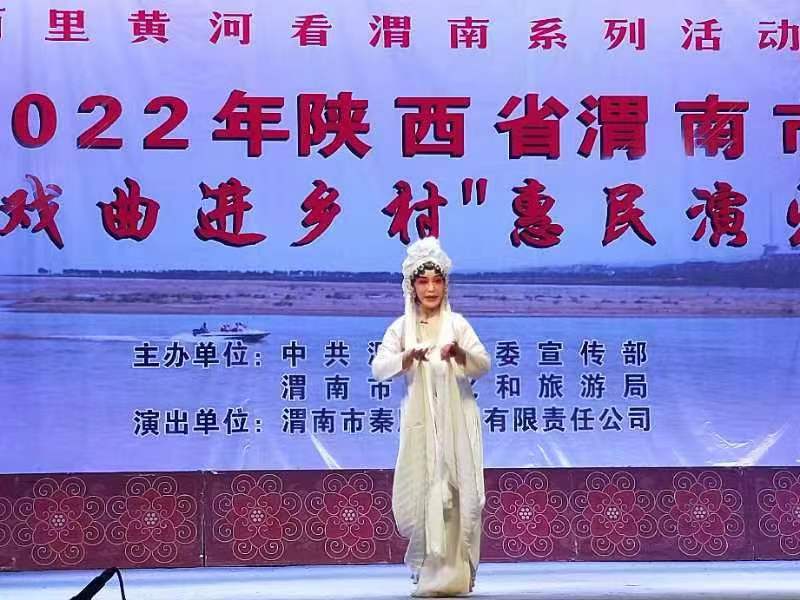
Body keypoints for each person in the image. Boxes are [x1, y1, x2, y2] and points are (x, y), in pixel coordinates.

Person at [372, 237, 490, 597]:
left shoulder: (457, 324)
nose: (431, 289)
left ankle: (457, 575)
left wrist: (460, 354)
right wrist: (406, 358)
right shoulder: (401, 328)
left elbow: (483, 364)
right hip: (421, 423)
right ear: (412, 286)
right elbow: (379, 368)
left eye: (437, 281)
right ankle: (429, 574)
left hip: (458, 420)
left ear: (445, 285)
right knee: (427, 490)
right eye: (423, 282)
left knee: (458, 492)